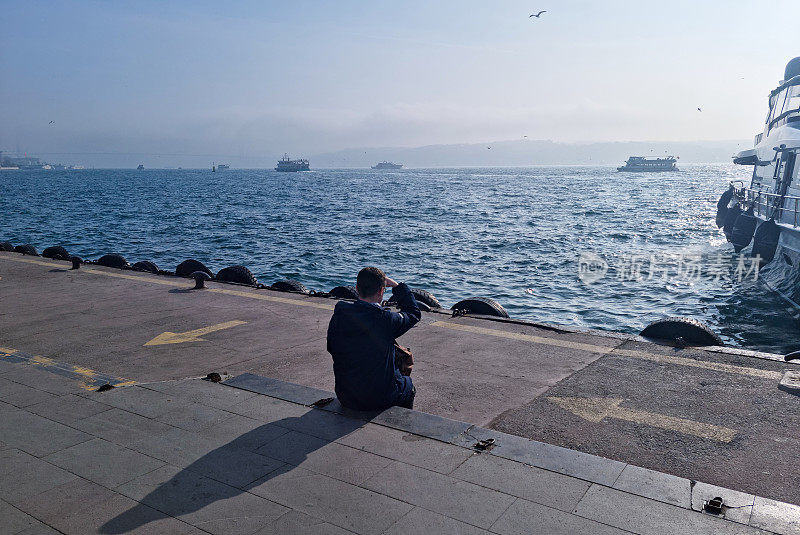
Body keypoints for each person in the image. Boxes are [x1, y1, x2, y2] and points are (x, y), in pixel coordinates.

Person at [326, 267, 421, 411]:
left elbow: (331, 348)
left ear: (357, 288)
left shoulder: (340, 314)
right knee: (408, 385)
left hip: (346, 396)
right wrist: (397, 286)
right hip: (379, 399)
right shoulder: (386, 320)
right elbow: (413, 313)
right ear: (382, 291)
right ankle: (402, 423)